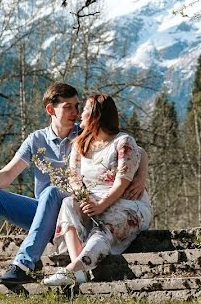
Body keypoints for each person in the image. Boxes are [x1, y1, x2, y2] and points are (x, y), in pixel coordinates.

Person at [0, 83, 147, 287]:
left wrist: (140, 176)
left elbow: (132, 149)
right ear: (51, 110)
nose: (75, 113)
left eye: (77, 106)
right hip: (44, 213)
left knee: (52, 192)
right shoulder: (36, 140)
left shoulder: (85, 132)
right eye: (68, 107)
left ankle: (23, 264)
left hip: (77, 213)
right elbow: (8, 173)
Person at [42, 93, 152, 287]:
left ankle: (75, 269)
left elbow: (121, 183)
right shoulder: (80, 144)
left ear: (96, 114)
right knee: (68, 203)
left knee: (105, 224)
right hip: (93, 202)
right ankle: (79, 268)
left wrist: (101, 205)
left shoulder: (123, 142)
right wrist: (83, 199)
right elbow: (74, 178)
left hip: (125, 203)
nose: (79, 114)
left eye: (84, 110)